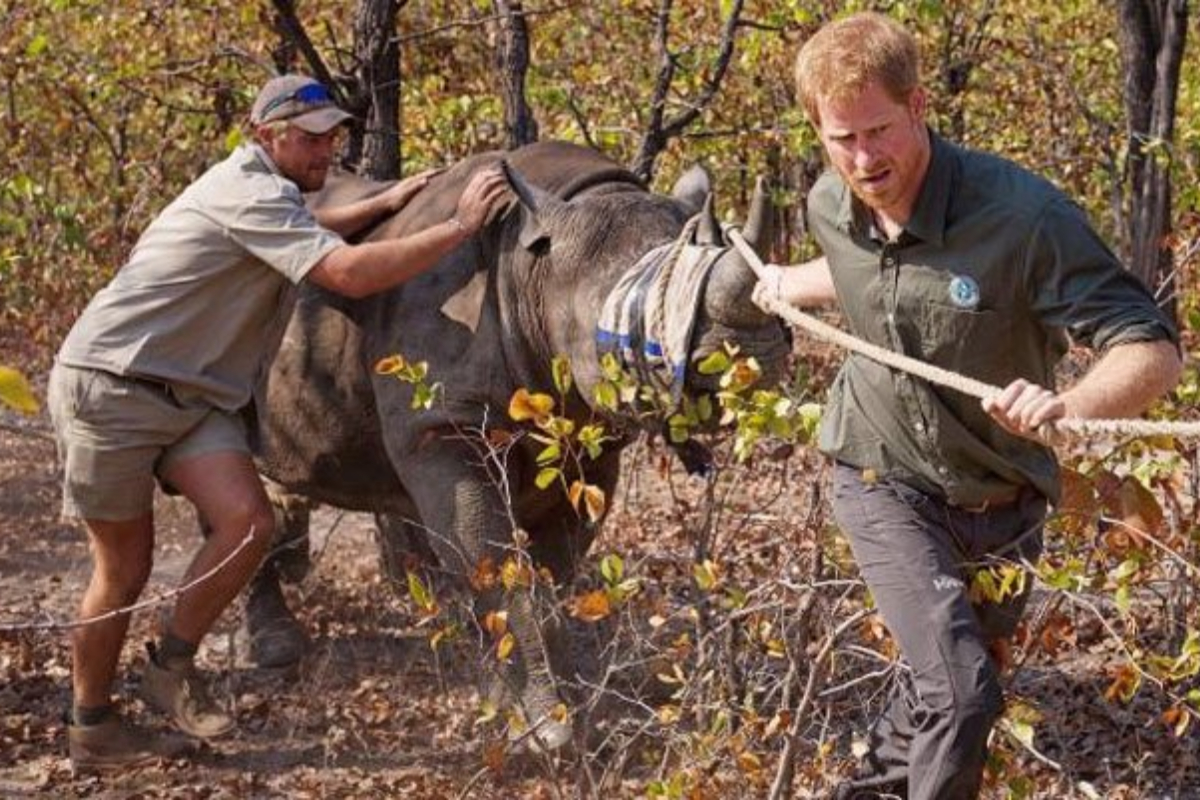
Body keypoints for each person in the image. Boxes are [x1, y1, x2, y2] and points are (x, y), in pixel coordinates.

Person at [757, 13, 1182, 800]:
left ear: (919, 105)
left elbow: (1151, 345)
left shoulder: (1023, 219)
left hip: (1004, 496)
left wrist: (1074, 404)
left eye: (878, 130)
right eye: (840, 139)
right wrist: (782, 283)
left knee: (940, 698)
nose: (862, 159)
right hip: (881, 475)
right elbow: (865, 269)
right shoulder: (828, 202)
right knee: (962, 694)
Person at [47, 73, 509, 770]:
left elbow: (310, 227)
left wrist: (388, 199)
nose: (328, 148)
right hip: (112, 385)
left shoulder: (265, 192)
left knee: (248, 525)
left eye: (335, 135)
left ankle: (169, 670)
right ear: (266, 136)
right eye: (312, 136)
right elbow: (348, 273)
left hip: (192, 398)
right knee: (125, 567)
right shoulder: (245, 188)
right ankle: (93, 728)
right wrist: (460, 226)